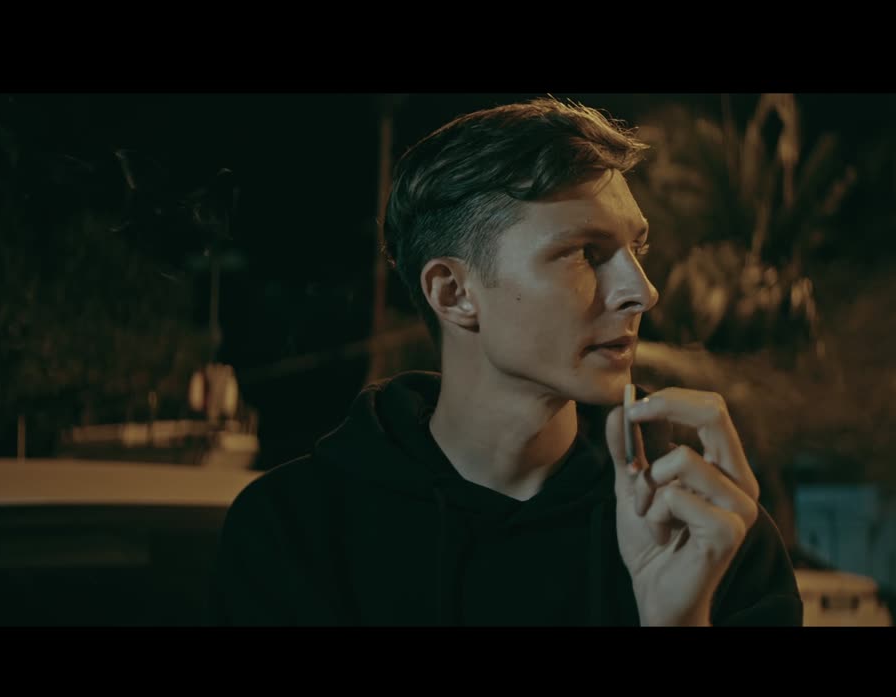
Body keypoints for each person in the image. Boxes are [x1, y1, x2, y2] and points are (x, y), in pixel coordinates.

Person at [208, 97, 802, 626]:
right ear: (452, 293)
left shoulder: (708, 531)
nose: (642, 291)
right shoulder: (295, 532)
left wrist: (678, 621)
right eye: (585, 253)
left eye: (636, 248)